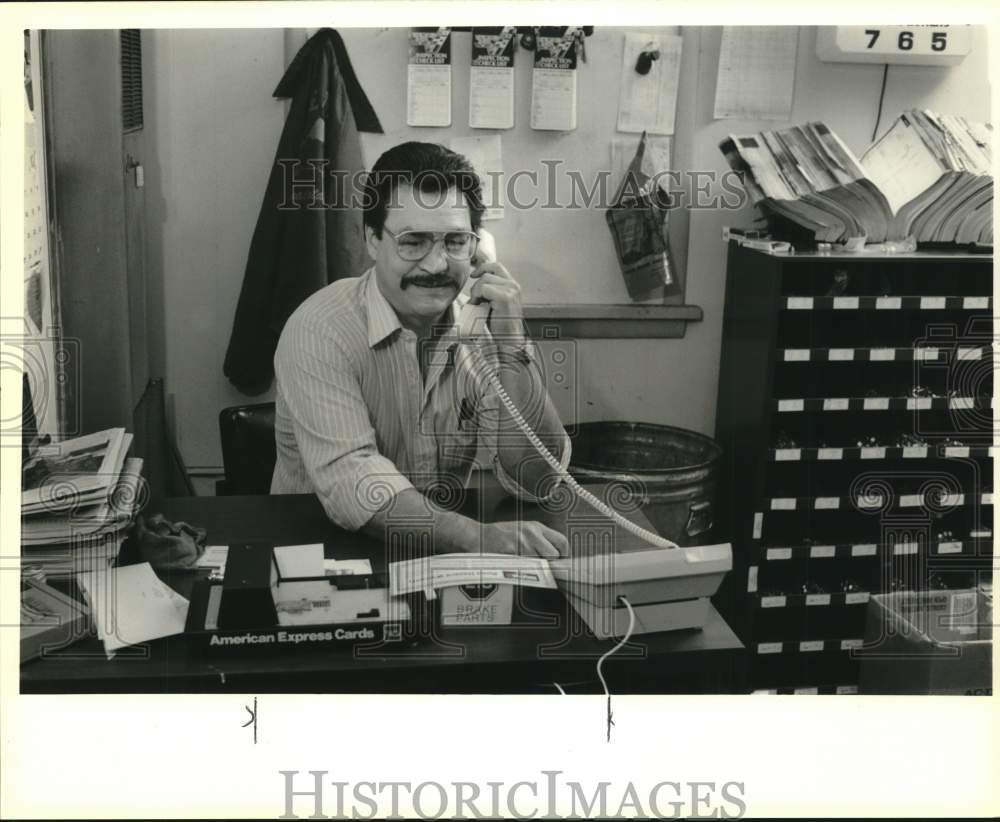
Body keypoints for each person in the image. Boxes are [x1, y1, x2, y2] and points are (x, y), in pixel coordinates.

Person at [271, 141, 571, 558]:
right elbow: (353, 481)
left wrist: (512, 347)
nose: (435, 265)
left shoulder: (483, 329)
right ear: (373, 241)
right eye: (413, 242)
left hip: (438, 550)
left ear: (478, 247)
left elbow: (537, 480)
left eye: (455, 241)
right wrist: (480, 537)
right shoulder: (320, 329)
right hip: (323, 555)